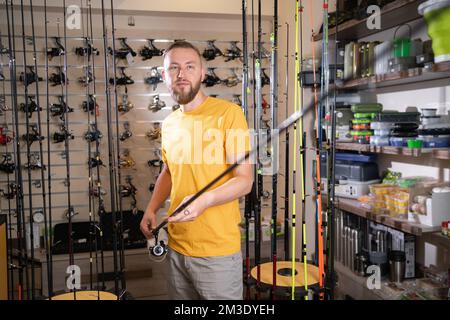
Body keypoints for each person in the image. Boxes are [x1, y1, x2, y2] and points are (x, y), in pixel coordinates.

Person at [140, 41, 253, 300]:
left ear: (202, 73)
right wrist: (152, 207)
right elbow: (169, 171)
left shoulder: (229, 114)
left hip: (216, 253)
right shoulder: (169, 124)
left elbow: (244, 181)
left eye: (190, 67)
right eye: (174, 68)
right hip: (176, 247)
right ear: (164, 75)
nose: (182, 74)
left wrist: (204, 200)